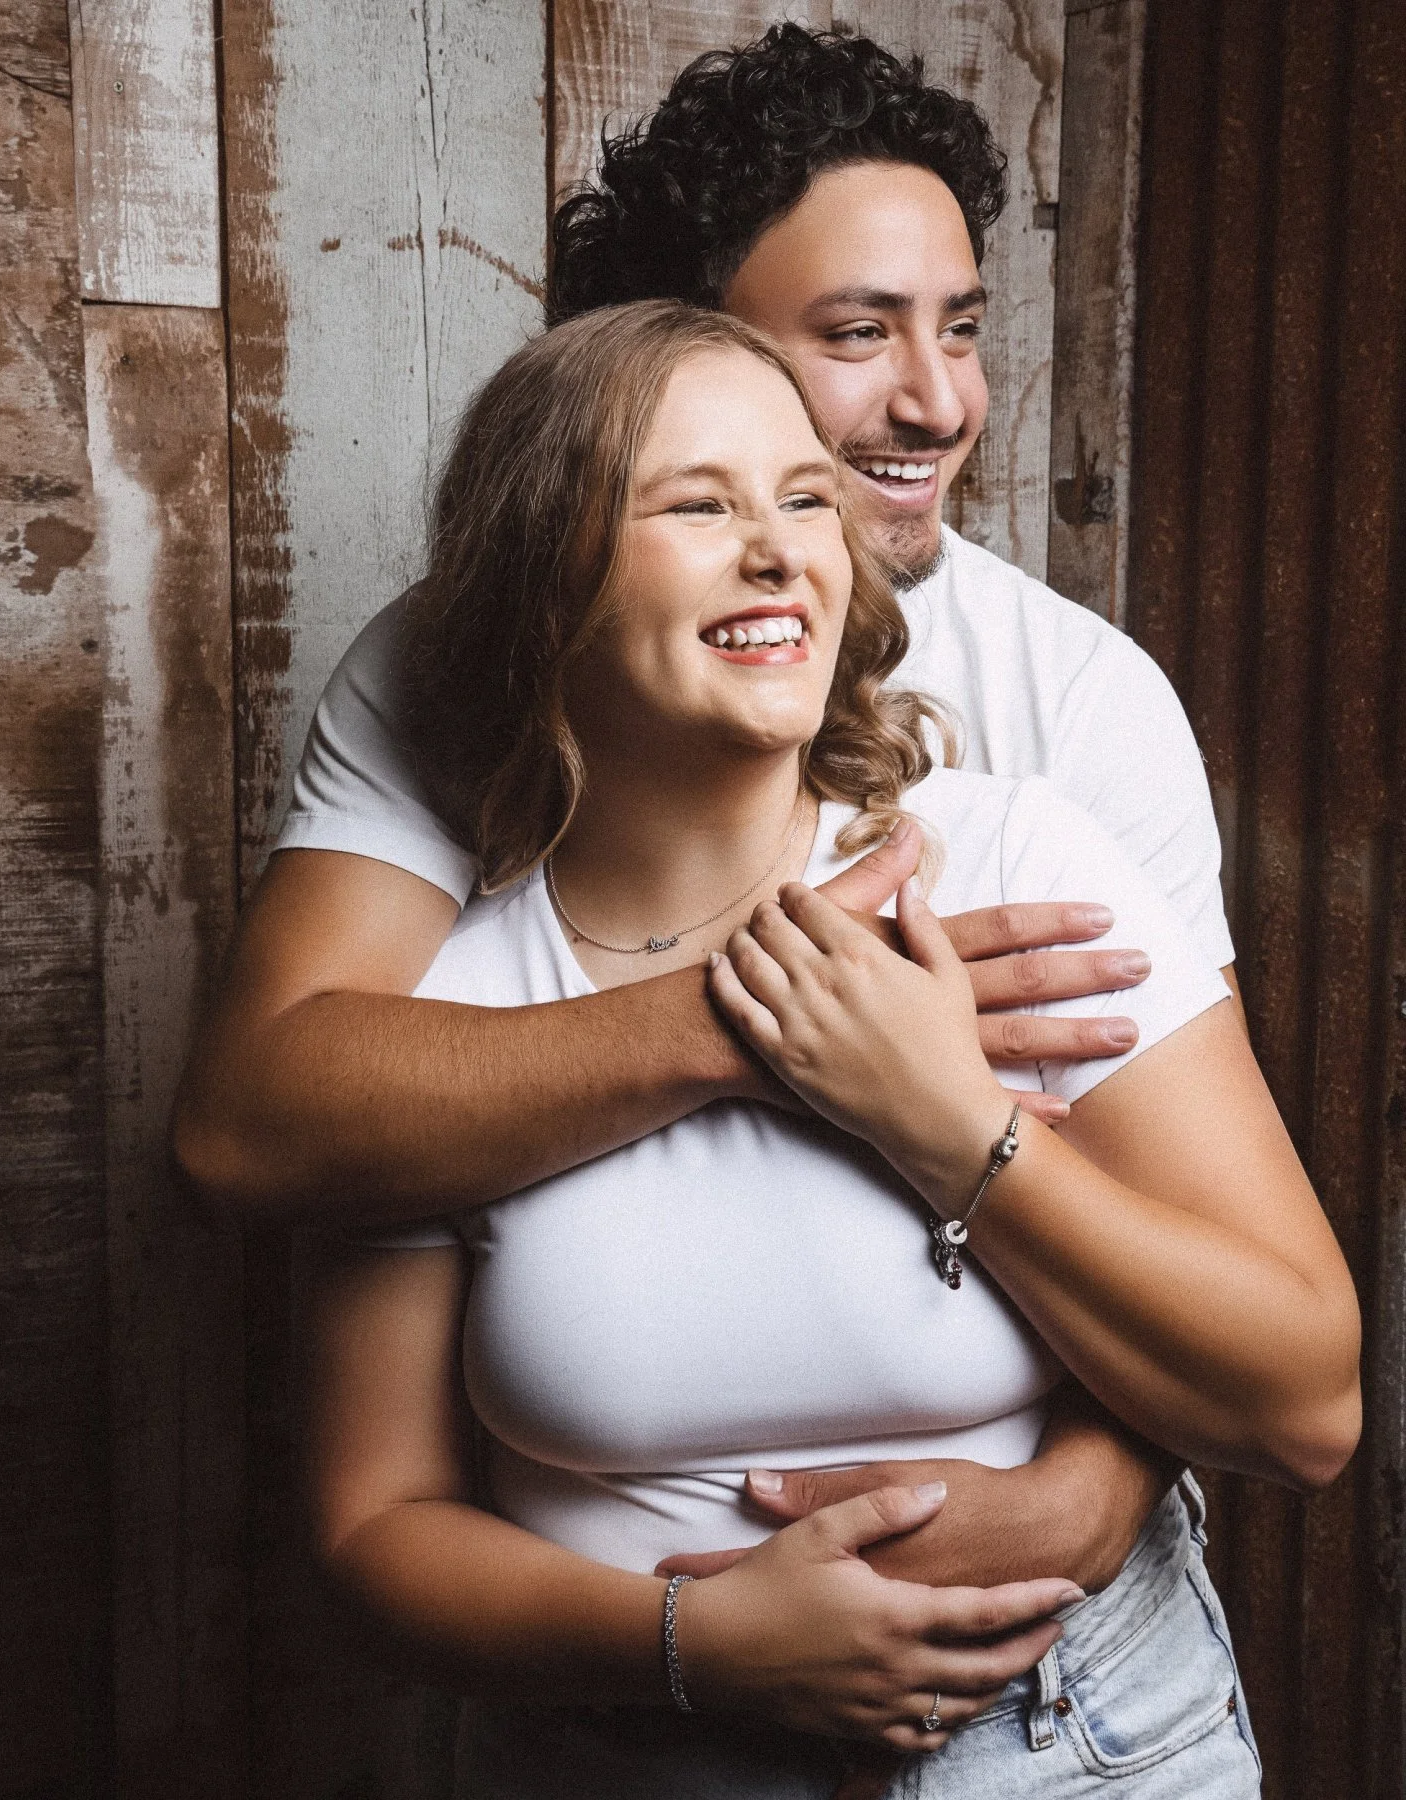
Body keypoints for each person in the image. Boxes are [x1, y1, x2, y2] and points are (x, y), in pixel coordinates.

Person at [179, 27, 1239, 1601]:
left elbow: (1203, 1222)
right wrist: (763, 1019)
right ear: (668, 344)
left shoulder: (1079, 697)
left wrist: (1092, 1491)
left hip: (1060, 1653)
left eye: (961, 329)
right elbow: (253, 1123)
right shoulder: (457, 663)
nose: (939, 402)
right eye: (858, 333)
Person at [306, 301, 1358, 1797]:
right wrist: (695, 1647)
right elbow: (372, 1526)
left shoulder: (1018, 869)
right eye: (696, 505)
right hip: (626, 1761)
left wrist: (947, 1124)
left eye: (805, 499)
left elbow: (1307, 1405)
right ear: (546, 575)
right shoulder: (454, 1013)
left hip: (1075, 1742)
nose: (777, 549)